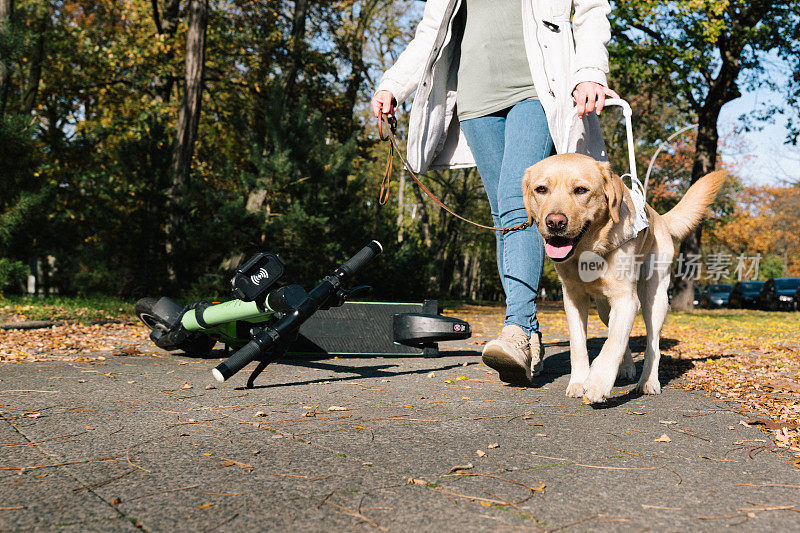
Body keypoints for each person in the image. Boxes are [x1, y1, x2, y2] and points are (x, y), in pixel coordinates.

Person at [371, 0, 626, 386]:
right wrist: (392, 84)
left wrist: (589, 71)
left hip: (540, 88)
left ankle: (519, 330)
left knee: (519, 204)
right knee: (503, 215)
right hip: (476, 99)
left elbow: (591, 10)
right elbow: (431, 32)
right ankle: (528, 333)